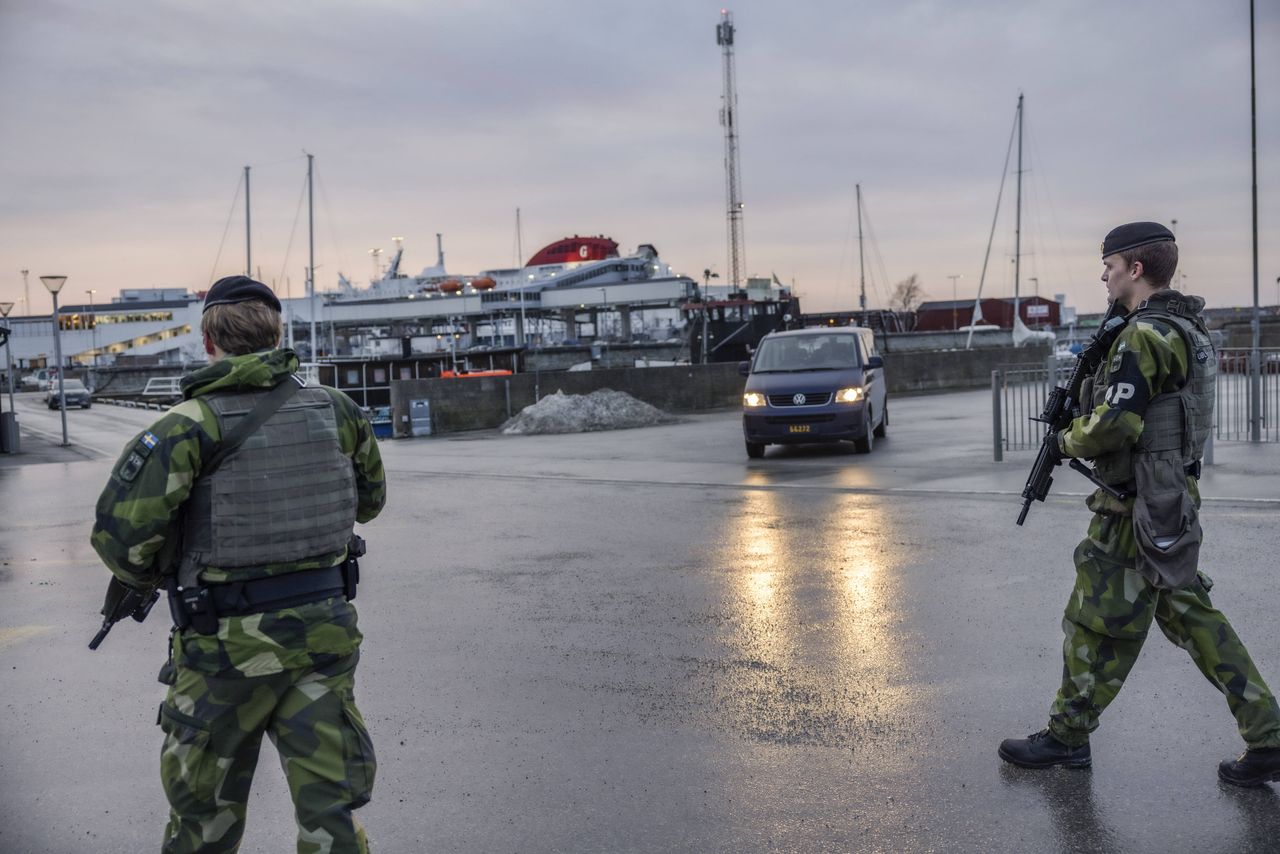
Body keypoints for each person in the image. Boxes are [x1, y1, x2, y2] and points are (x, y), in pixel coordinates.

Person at [91, 275, 386, 851]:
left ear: (208, 342)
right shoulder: (338, 410)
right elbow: (369, 505)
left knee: (203, 822)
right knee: (332, 815)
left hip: (222, 652)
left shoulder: (184, 428)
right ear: (278, 335)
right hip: (322, 639)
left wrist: (170, 569)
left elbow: (122, 544)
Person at [999, 222, 1280, 787]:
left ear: (1134, 268)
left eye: (1109, 264)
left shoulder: (1145, 336)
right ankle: (1269, 734)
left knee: (1093, 620)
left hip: (1136, 505)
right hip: (1168, 494)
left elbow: (1115, 424)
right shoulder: (1187, 327)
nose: (1103, 274)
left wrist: (1063, 439)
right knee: (1193, 616)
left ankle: (1066, 737)